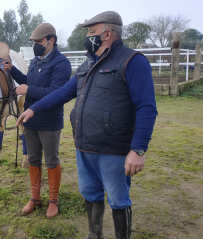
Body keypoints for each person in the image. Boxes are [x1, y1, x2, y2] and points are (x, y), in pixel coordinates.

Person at [16, 11, 158, 239]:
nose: (88, 37)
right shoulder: (87, 66)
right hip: (84, 146)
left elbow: (147, 108)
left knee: (118, 199)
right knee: (91, 194)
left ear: (108, 34)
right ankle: (95, 234)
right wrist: (33, 108)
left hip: (113, 150)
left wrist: (138, 149)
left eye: (92, 32)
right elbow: (63, 93)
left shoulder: (132, 61)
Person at [3, 22, 71, 218]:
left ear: (51, 41)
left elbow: (57, 92)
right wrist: (12, 70)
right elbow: (28, 80)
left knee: (51, 160)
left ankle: (53, 200)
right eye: (33, 42)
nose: (35, 45)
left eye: (39, 41)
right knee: (33, 159)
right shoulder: (35, 61)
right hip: (29, 119)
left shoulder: (61, 63)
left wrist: (28, 90)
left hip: (49, 121)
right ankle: (35, 197)